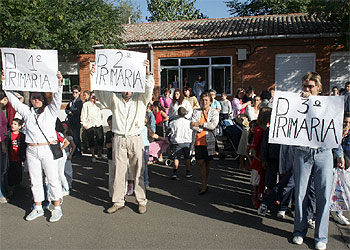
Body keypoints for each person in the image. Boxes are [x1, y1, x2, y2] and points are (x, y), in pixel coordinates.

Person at [3, 71, 64, 222]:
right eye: (33, 97)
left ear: (43, 99)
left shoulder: (50, 111)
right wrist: (5, 84)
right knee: (35, 180)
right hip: (31, 150)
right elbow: (13, 100)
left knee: (52, 179)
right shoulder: (27, 112)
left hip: (47, 149)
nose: (35, 99)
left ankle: (57, 207)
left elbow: (57, 98)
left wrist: (59, 83)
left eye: (38, 97)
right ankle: (37, 206)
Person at [292, 72, 344, 250]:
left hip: (323, 153)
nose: (306, 89)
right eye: (304, 86)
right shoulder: (296, 103)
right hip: (302, 152)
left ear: (318, 87)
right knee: (300, 193)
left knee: (323, 194)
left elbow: (333, 130)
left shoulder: (329, 104)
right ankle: (299, 230)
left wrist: (339, 153)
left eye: (310, 86)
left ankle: (321, 236)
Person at [95, 59, 154, 214]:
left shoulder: (140, 99)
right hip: (119, 138)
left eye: (130, 89)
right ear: (120, 89)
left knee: (138, 171)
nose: (127, 92)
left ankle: (141, 200)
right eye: (124, 89)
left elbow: (149, 90)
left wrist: (147, 74)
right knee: (118, 171)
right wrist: (96, 76)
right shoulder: (115, 100)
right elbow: (101, 94)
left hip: (135, 138)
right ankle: (118, 201)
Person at [191, 92, 219, 195]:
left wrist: (199, 124)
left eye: (206, 100)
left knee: (207, 163)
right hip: (198, 140)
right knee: (201, 163)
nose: (204, 102)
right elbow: (192, 125)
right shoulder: (196, 112)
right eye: (203, 100)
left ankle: (204, 182)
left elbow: (213, 125)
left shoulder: (214, 112)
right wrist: (202, 126)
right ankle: (204, 184)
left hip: (209, 141)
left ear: (210, 101)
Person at [168, 107, 193, 179]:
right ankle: (188, 172)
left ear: (178, 113)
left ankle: (174, 172)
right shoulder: (188, 122)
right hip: (186, 141)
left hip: (177, 141)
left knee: (176, 158)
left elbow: (171, 132)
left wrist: (172, 140)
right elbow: (190, 132)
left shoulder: (173, 123)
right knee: (187, 157)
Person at [80, 91, 104, 162]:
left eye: (95, 97)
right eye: (92, 96)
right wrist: (84, 124)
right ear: (90, 96)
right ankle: (93, 155)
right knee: (91, 141)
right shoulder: (86, 105)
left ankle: (99, 154)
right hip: (90, 125)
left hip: (98, 124)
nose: (93, 98)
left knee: (100, 139)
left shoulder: (99, 105)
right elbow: (83, 114)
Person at [7, 118, 26, 197]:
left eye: (15, 124)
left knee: (18, 173)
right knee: (10, 174)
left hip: (18, 158)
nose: (13, 126)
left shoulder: (22, 136)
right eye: (12, 124)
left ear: (20, 126)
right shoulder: (8, 134)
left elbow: (24, 147)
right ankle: (10, 188)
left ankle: (17, 186)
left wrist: (23, 158)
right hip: (10, 158)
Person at [65, 85, 83, 157]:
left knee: (76, 137)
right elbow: (67, 108)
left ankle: (78, 152)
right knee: (72, 137)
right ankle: (73, 151)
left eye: (76, 92)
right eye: (73, 92)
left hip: (76, 122)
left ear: (79, 93)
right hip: (70, 121)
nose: (74, 94)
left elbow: (77, 111)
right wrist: (68, 111)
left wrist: (71, 110)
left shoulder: (79, 102)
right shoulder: (71, 100)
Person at [0, 92, 9, 203]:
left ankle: (5, 190)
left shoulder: (3, 111)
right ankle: (1, 193)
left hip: (4, 140)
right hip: (1, 142)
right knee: (1, 170)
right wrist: (2, 144)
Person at [105, 115, 114, 198]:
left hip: (121, 157)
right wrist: (114, 143)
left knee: (122, 176)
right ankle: (112, 194)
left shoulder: (120, 133)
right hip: (111, 157)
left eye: (112, 124)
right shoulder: (109, 133)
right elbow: (107, 145)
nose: (110, 126)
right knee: (112, 176)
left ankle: (122, 193)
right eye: (109, 124)